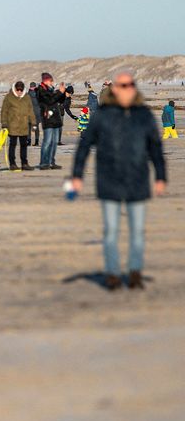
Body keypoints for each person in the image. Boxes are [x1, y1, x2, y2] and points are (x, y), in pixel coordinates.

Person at [71, 72, 166, 290]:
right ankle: (113, 274)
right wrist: (77, 175)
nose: (126, 89)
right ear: (114, 89)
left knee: (137, 231)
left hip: (138, 180)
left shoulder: (143, 115)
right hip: (109, 180)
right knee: (111, 230)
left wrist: (160, 176)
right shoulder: (102, 115)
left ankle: (134, 273)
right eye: (122, 85)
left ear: (134, 88)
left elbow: (155, 147)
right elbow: (84, 145)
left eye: (130, 85)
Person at [0, 81, 35, 171]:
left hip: (24, 125)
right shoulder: (9, 97)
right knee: (13, 144)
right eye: (18, 89)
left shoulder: (27, 97)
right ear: (15, 88)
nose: (19, 91)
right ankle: (12, 163)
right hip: (12, 125)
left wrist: (34, 123)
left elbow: (30, 111)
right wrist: (4, 123)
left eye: (21, 90)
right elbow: (4, 111)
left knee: (24, 145)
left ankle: (24, 163)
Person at [37, 73, 66, 170]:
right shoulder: (41, 90)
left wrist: (62, 92)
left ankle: (51, 162)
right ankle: (43, 162)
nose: (52, 82)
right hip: (47, 119)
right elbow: (49, 100)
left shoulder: (51, 90)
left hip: (55, 119)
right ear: (45, 80)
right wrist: (59, 93)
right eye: (50, 80)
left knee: (54, 142)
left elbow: (59, 100)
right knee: (47, 142)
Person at [27, 82, 42, 146]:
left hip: (30, 113)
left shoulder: (28, 94)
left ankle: (29, 141)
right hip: (37, 113)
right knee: (36, 128)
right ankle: (36, 141)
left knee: (29, 128)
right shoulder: (39, 94)